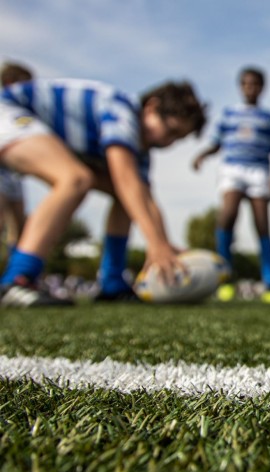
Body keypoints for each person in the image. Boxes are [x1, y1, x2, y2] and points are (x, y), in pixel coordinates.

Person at [0, 76, 207, 307]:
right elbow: (125, 180)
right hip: (8, 112)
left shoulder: (140, 151)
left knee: (126, 194)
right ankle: (18, 279)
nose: (168, 143)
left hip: (29, 128)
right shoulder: (122, 110)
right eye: (170, 131)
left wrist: (163, 244)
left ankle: (112, 282)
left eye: (177, 139)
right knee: (75, 178)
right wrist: (156, 244)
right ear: (151, 107)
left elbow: (143, 198)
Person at [192, 66, 270, 304]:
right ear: (240, 87)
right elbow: (216, 142)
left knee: (262, 224)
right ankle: (224, 279)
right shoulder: (229, 114)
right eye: (246, 84)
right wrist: (203, 154)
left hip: (258, 171)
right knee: (227, 216)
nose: (250, 88)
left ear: (262, 88)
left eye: (255, 84)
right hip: (232, 169)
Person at [0, 61, 33, 256]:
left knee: (20, 227)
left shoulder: (22, 112)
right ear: (10, 81)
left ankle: (13, 274)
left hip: (13, 175)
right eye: (27, 84)